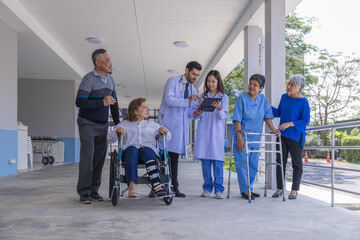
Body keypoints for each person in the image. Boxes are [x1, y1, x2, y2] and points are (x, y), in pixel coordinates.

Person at [75, 49, 120, 204]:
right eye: (107, 60)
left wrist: (118, 124)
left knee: (99, 158)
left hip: (102, 124)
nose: (110, 63)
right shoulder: (88, 79)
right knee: (87, 157)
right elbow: (79, 102)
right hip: (87, 122)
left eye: (110, 60)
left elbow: (114, 103)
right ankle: (84, 192)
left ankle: (94, 190)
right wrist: (101, 102)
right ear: (97, 63)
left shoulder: (110, 80)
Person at [109, 98, 171, 198]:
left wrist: (163, 130)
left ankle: (156, 183)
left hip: (147, 154)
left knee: (147, 149)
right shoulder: (124, 124)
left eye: (146, 107)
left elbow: (168, 137)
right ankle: (132, 185)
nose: (147, 109)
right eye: (143, 107)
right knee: (132, 149)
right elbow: (109, 139)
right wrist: (117, 131)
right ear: (135, 111)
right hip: (130, 154)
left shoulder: (152, 125)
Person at [232, 74, 280, 200]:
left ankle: (250, 188)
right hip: (242, 136)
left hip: (256, 137)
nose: (251, 87)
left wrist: (273, 129)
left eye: (255, 85)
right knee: (242, 164)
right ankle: (245, 191)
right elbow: (237, 120)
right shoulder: (241, 99)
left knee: (253, 164)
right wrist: (239, 138)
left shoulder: (263, 99)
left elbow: (267, 117)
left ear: (261, 88)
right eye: (250, 83)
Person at [158, 61, 202, 197]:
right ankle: (158, 187)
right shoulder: (172, 81)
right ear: (187, 70)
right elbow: (169, 99)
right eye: (194, 74)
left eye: (197, 75)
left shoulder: (193, 90)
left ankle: (174, 187)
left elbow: (188, 112)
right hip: (168, 124)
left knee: (174, 159)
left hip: (180, 128)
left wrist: (195, 113)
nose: (195, 77)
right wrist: (187, 101)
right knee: (162, 158)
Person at [271, 74, 310, 200]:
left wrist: (290, 123)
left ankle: (294, 190)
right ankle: (280, 187)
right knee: (279, 162)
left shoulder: (303, 101)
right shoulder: (284, 97)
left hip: (295, 136)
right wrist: (265, 105)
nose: (289, 86)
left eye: (292, 84)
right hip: (282, 135)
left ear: (299, 87)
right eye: (289, 83)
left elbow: (305, 120)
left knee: (296, 164)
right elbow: (278, 112)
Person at [191, 70, 229, 199]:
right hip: (204, 133)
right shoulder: (202, 96)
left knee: (218, 164)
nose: (211, 84)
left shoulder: (223, 97)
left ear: (218, 82)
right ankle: (207, 188)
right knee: (205, 164)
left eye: (213, 81)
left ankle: (219, 189)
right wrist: (196, 114)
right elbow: (194, 114)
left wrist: (219, 108)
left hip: (216, 134)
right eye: (208, 81)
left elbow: (223, 117)